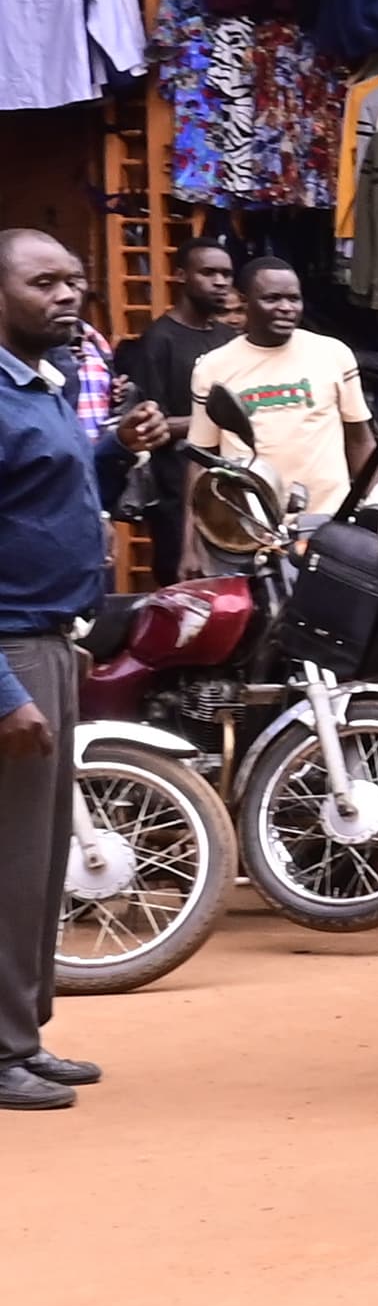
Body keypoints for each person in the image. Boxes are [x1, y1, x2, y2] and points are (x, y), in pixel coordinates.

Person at [0, 230, 116, 1108]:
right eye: (45, 282)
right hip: (10, 651)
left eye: (75, 280)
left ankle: (21, 1035)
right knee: (10, 859)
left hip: (51, 639)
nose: (69, 295)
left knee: (38, 860)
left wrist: (117, 447)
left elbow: (44, 492)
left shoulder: (39, 386)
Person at [189, 254, 372, 521]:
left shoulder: (334, 354)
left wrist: (377, 507)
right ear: (243, 301)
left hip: (327, 519)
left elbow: (360, 440)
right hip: (248, 521)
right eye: (272, 298)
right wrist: (191, 546)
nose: (286, 307)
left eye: (294, 299)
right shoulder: (213, 367)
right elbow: (201, 459)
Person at [115, 237, 235, 569]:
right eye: (209, 273)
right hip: (175, 491)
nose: (221, 282)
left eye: (226, 274)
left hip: (228, 485)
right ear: (181, 276)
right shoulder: (159, 340)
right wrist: (215, 420)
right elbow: (153, 427)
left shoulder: (229, 339)